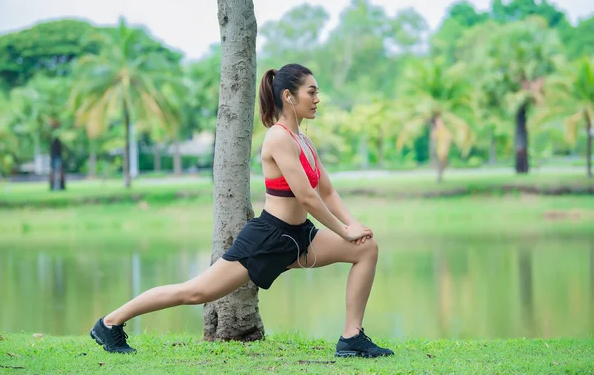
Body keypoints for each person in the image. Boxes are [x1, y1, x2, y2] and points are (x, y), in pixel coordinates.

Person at [90, 63, 394, 358]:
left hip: (300, 236)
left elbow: (326, 191)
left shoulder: (304, 139)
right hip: (268, 238)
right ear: (289, 96)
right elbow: (307, 196)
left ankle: (352, 338)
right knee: (196, 292)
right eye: (311, 92)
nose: (317, 99)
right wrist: (343, 230)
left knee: (365, 249)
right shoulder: (278, 138)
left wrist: (353, 224)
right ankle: (109, 323)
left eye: (317, 93)